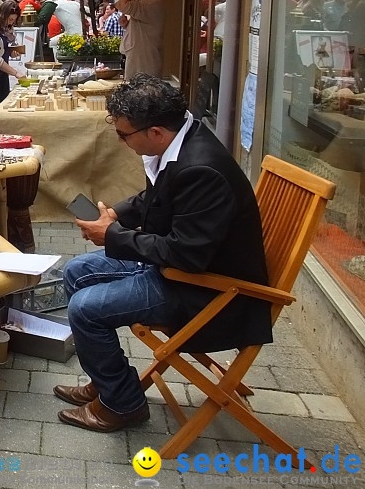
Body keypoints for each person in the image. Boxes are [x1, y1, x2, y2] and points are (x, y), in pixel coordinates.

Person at [55, 75, 270, 433]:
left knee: (85, 309)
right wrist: (117, 217)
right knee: (76, 271)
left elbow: (185, 254)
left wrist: (113, 235)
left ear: (155, 132)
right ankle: (110, 381)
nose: (122, 142)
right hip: (180, 269)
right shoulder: (182, 139)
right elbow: (156, 200)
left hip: (206, 290)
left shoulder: (201, 169)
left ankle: (122, 404)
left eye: (124, 135)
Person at [115, 0, 165, 79]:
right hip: (145, 57)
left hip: (144, 61)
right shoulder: (151, 2)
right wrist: (127, 25)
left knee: (141, 93)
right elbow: (146, 27)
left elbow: (120, 4)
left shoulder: (149, 3)